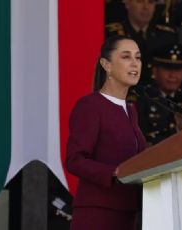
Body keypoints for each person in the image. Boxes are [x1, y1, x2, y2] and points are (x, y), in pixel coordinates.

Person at [65, 36, 147, 230]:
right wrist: (114, 172)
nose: (135, 63)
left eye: (138, 57)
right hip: (98, 212)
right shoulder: (90, 106)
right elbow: (74, 160)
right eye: (126, 57)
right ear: (106, 64)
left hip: (127, 212)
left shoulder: (131, 110)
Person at [105, 0, 177, 85]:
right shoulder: (112, 35)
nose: (146, 7)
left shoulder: (166, 36)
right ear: (127, 3)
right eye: (140, 1)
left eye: (151, 2)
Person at [135, 43, 182, 145]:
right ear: (155, 71)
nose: (173, 75)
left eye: (178, 70)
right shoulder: (142, 100)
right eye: (167, 69)